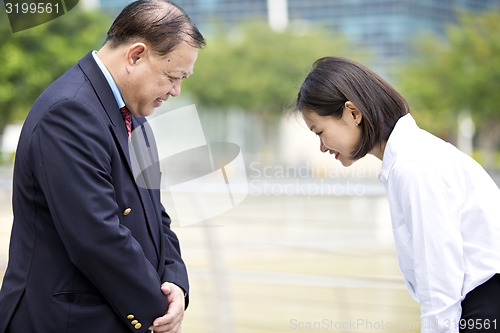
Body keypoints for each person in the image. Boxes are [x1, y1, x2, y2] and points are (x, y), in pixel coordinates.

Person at [0, 1, 205, 332]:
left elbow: (156, 215)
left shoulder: (133, 117)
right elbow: (96, 237)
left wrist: (176, 283)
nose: (176, 91)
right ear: (135, 55)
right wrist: (159, 311)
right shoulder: (69, 113)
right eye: (172, 76)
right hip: (64, 322)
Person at [294, 57, 500, 332]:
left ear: (353, 113)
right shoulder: (414, 155)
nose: (321, 146)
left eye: (320, 131)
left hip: (484, 308)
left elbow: (439, 278)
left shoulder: (413, 166)